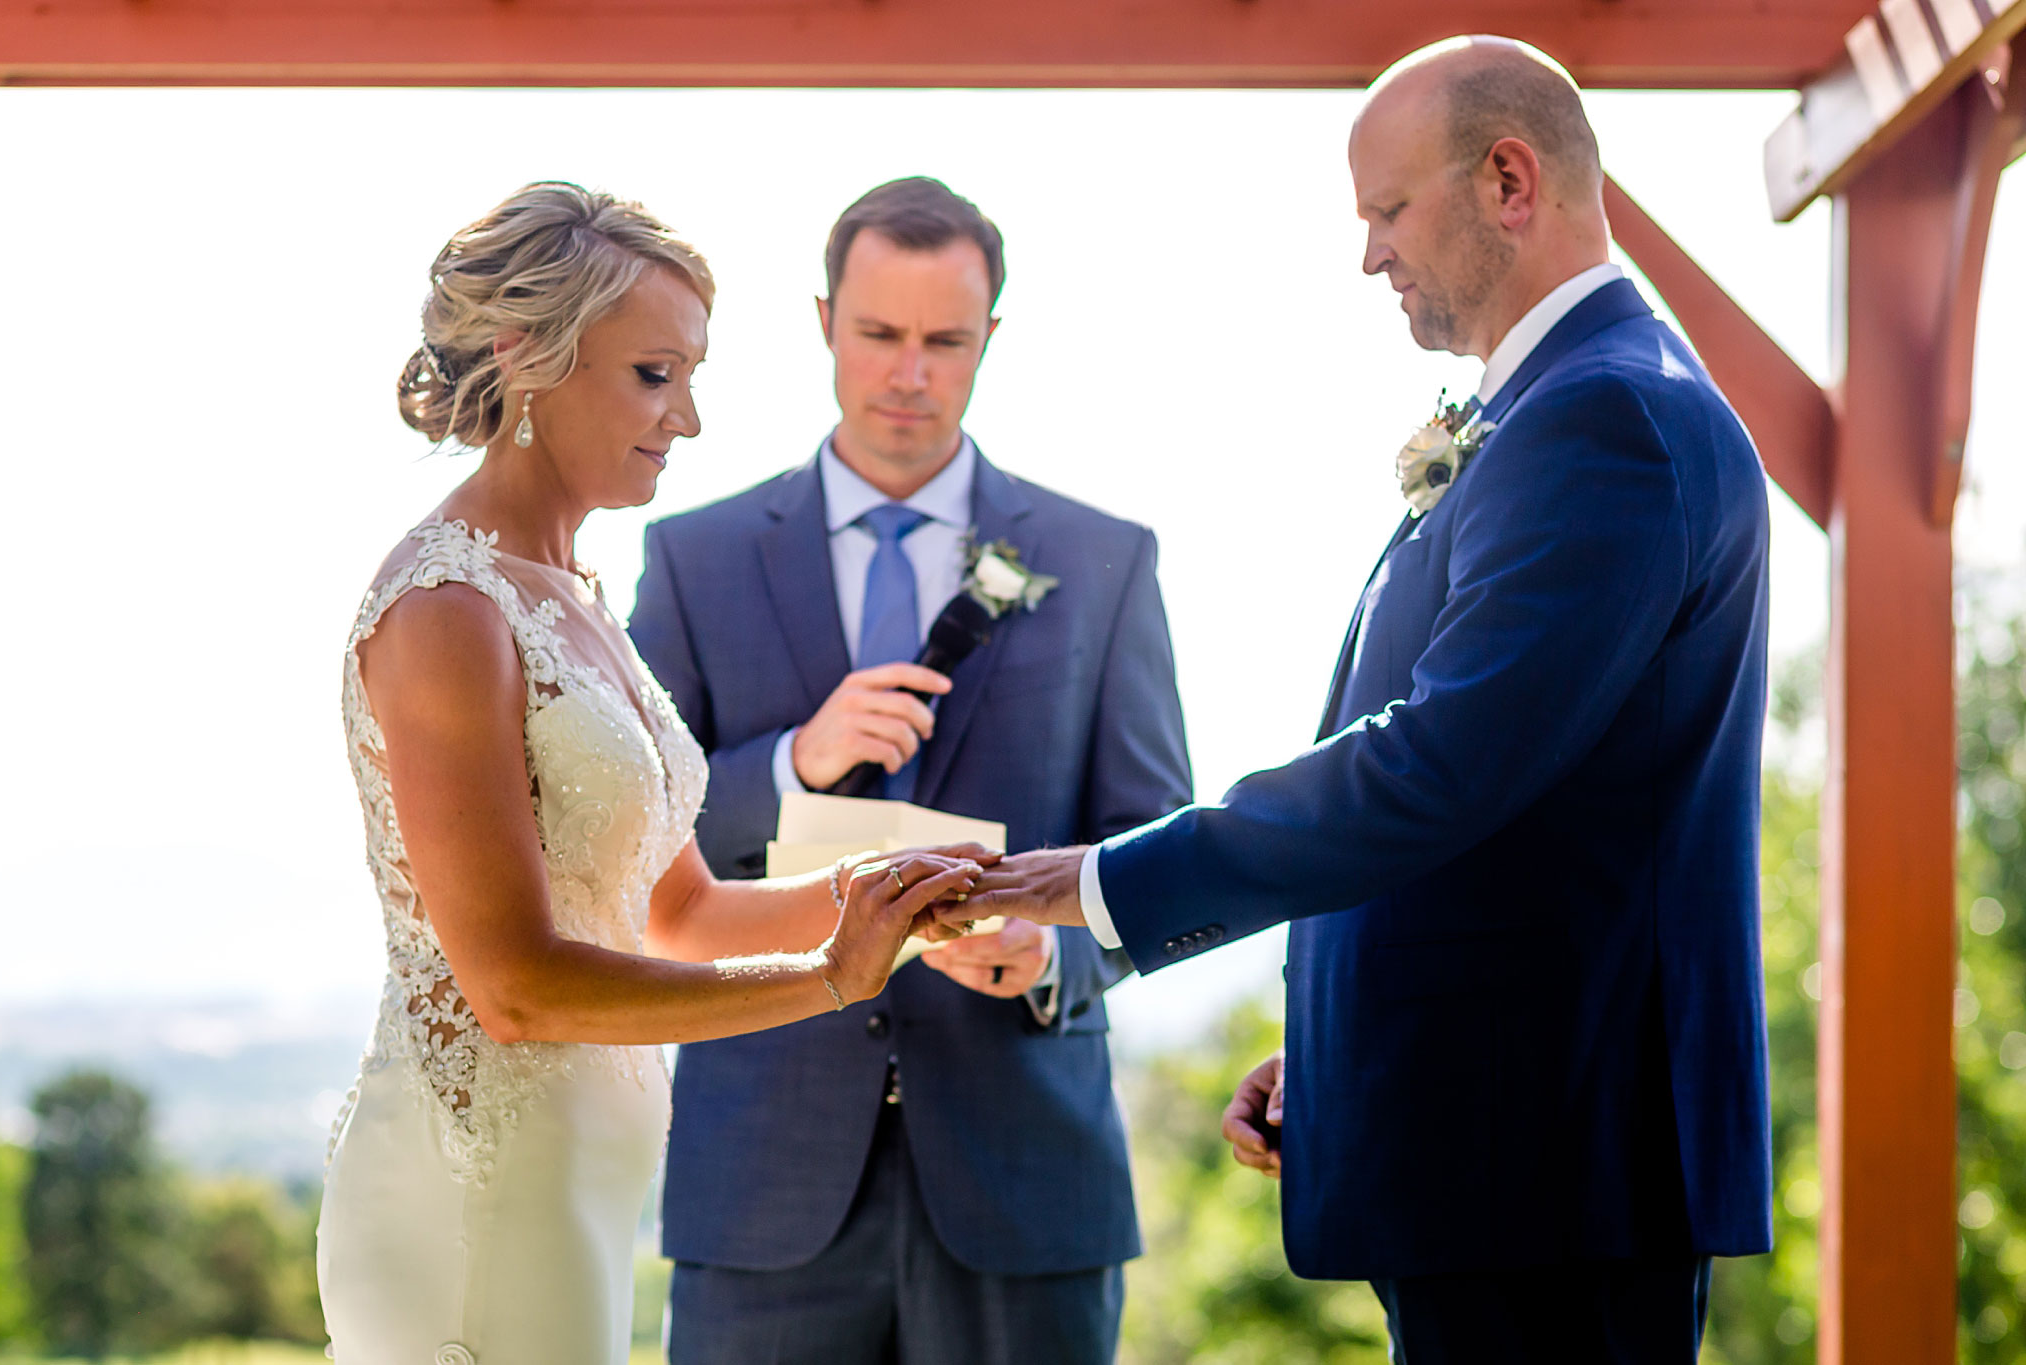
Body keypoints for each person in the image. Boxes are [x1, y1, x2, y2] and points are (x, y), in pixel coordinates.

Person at [958, 40, 1774, 1364]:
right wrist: (1347, 1048)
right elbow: (1513, 814)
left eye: (1389, 211)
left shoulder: (1608, 418)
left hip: (1556, 1165)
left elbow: (1433, 767)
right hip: (1496, 1143)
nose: (1371, 255)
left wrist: (1099, 881)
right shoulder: (1564, 411)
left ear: (1509, 178)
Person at [315, 181, 984, 1365]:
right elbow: (514, 988)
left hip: (577, 1184)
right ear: (528, 358)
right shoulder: (444, 610)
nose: (686, 420)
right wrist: (831, 977)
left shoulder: (573, 596)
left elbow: (679, 911)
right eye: (652, 374)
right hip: (474, 1192)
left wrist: (911, 894)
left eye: (688, 377)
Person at [628, 176, 1191, 1365]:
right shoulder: (693, 556)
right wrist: (790, 765)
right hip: (762, 1181)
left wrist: (1055, 952)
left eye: (944, 341)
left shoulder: (1102, 562)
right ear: (823, 321)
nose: (908, 374)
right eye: (878, 335)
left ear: (990, 337)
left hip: (1026, 1180)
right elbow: (628, 836)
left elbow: (1158, 849)